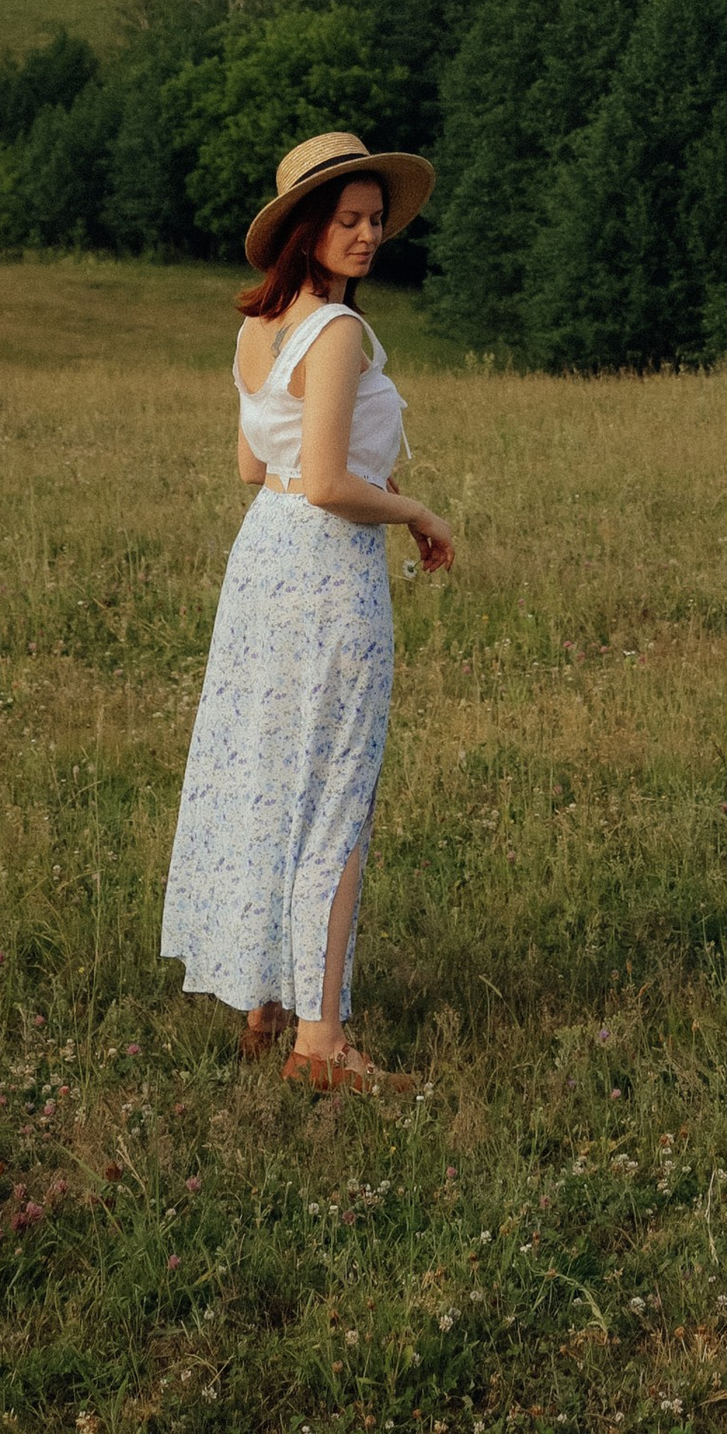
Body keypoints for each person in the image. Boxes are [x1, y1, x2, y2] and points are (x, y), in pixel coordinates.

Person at [159, 131, 456, 1094]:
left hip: (263, 558)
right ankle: (320, 1047)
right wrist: (411, 508)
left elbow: (259, 466)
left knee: (265, 775)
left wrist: (354, 477)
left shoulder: (260, 328)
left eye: (376, 220)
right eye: (349, 220)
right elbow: (328, 481)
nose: (368, 235)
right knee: (333, 793)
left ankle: (268, 1001)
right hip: (326, 571)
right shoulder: (333, 332)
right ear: (306, 228)